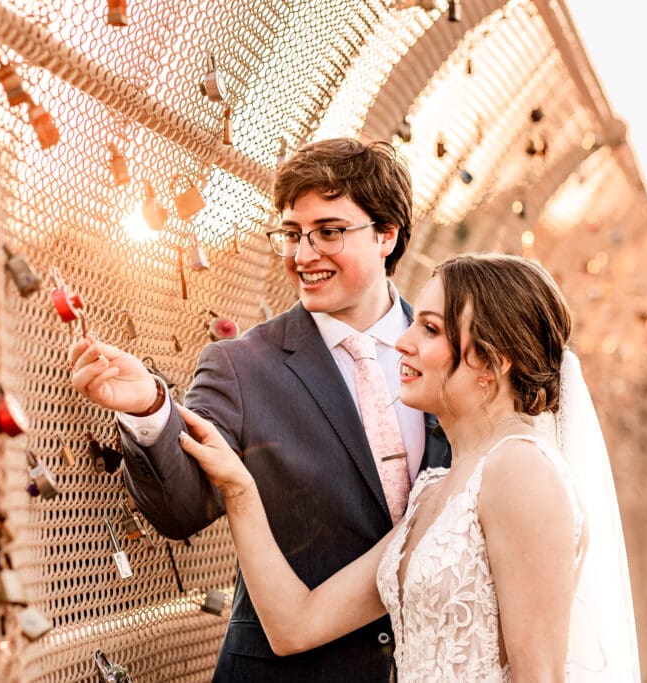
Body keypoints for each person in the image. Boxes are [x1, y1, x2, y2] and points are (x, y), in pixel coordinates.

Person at [70, 138, 451, 681]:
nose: (302, 255)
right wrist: (150, 409)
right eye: (292, 234)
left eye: (329, 231)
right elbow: (182, 509)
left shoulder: (453, 351)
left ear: (387, 234)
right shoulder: (240, 366)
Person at [177, 253, 641, 682]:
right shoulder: (434, 492)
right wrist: (239, 490)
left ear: (492, 361)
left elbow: (539, 676)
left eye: (431, 329)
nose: (402, 342)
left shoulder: (521, 471)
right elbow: (294, 625)